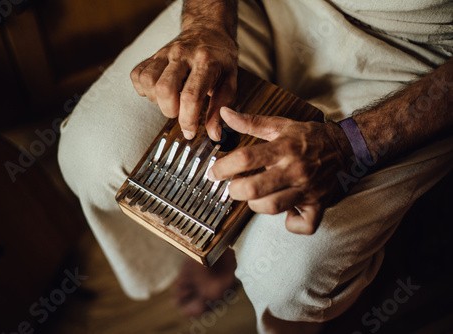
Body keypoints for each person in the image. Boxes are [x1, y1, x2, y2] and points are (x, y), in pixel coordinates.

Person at [58, 0, 453, 333]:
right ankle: (205, 247)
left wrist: (351, 145)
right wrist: (206, 23)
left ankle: (319, 297)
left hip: (425, 59)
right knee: (89, 152)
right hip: (271, 7)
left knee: (287, 271)